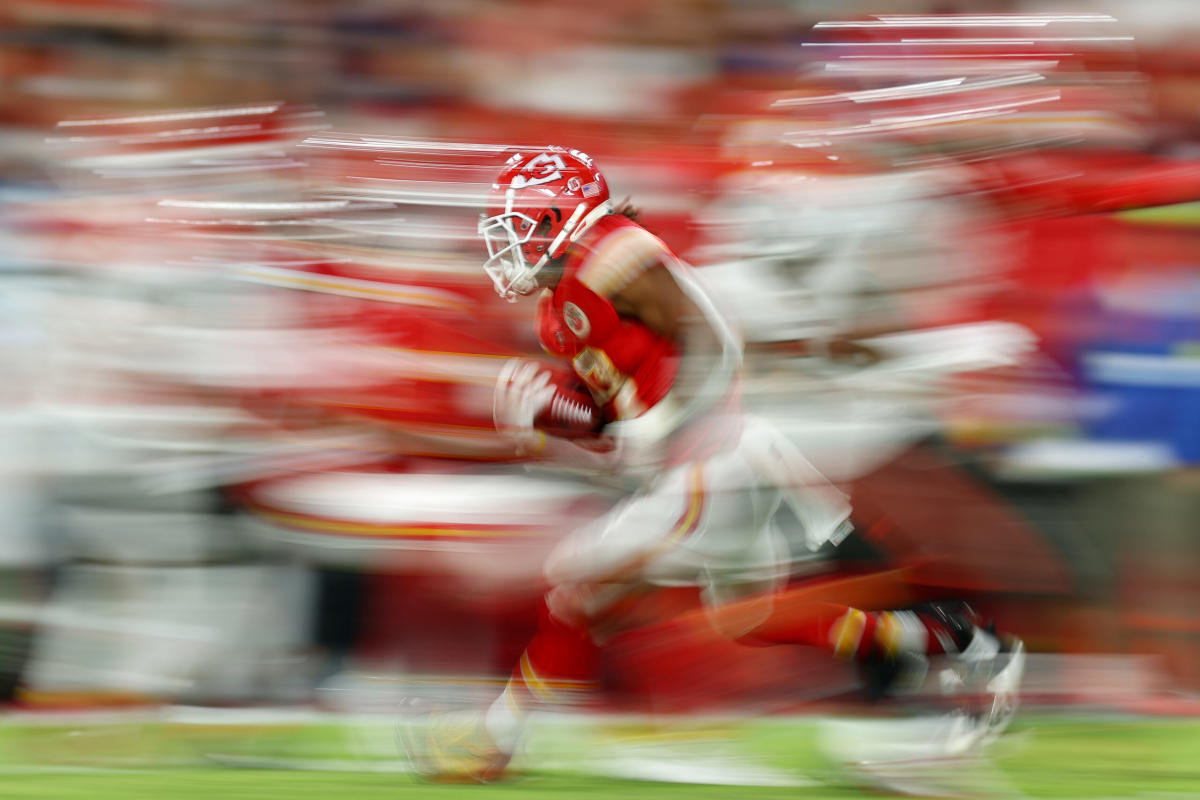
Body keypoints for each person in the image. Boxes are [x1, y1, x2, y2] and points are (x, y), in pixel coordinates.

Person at [400, 145, 1023, 782]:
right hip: (708, 458)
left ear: (564, 214)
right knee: (750, 617)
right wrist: (555, 410)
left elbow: (709, 331)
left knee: (577, 580)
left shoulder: (610, 251)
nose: (509, 243)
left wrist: (665, 424)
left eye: (521, 224)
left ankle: (494, 741)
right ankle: (953, 637)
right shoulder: (564, 305)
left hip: (720, 454)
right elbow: (613, 416)